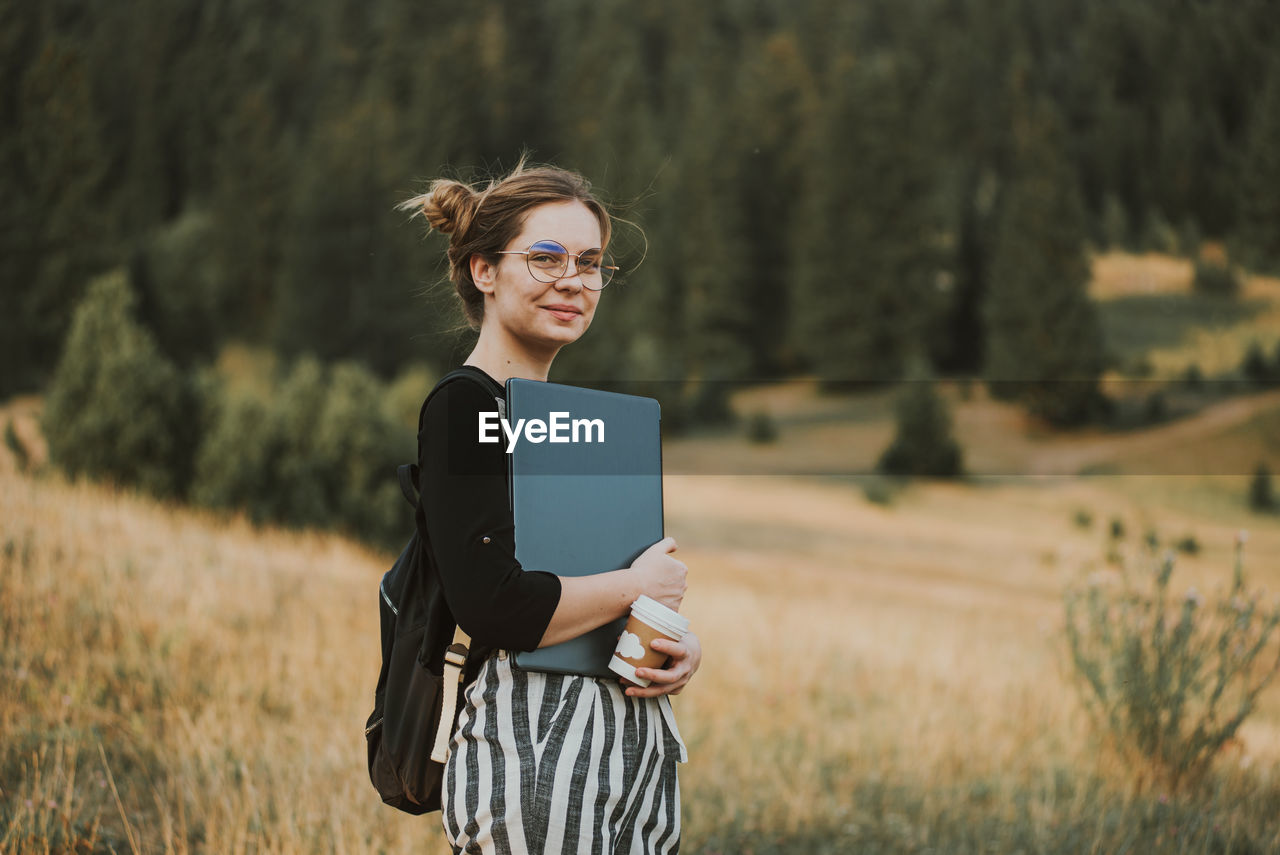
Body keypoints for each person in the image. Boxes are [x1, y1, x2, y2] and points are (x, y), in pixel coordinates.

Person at [399, 160, 701, 855]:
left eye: (590, 263)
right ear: (484, 270)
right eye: (545, 258)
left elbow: (598, 589)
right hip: (530, 750)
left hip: (630, 748)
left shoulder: (579, 421)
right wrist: (637, 586)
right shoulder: (465, 406)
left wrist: (673, 645)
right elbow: (492, 603)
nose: (574, 280)